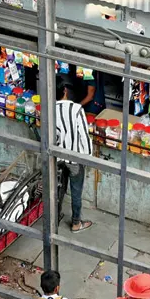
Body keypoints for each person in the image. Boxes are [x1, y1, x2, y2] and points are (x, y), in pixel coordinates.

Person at [54, 77, 93, 233]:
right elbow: (83, 135)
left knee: (58, 189)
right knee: (76, 191)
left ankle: (54, 217)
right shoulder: (76, 109)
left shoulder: (48, 109)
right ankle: (76, 223)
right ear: (65, 91)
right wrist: (88, 157)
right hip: (75, 158)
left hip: (57, 157)